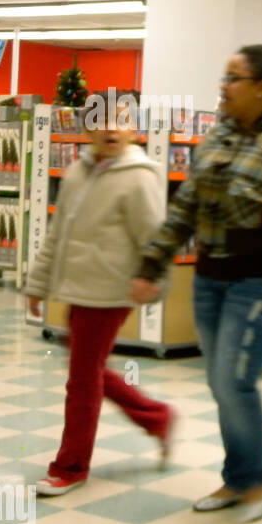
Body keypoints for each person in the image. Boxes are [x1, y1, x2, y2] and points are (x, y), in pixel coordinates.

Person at [131, 45, 262, 522]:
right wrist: (151, 263)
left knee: (233, 379)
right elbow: (185, 208)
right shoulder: (219, 136)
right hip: (211, 277)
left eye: (233, 78)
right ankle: (238, 478)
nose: (222, 88)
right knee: (220, 382)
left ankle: (257, 482)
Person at [26, 95, 173, 496]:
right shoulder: (78, 172)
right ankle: (156, 416)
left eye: (121, 120)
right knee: (87, 368)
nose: (111, 128)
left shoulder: (140, 175)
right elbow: (57, 234)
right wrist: (37, 284)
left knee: (82, 378)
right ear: (87, 128)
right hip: (80, 287)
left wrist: (152, 280)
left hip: (111, 290)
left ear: (133, 128)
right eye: (101, 121)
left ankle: (70, 467)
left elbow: (154, 237)